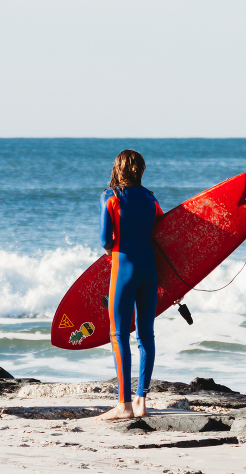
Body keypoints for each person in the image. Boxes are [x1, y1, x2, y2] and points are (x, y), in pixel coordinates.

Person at [95, 150, 164, 421]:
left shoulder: (110, 197)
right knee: (146, 335)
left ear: (118, 168)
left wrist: (113, 248)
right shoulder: (151, 198)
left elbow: (104, 239)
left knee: (119, 335)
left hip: (124, 270)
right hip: (150, 271)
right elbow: (161, 229)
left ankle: (123, 406)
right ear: (141, 170)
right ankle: (141, 401)